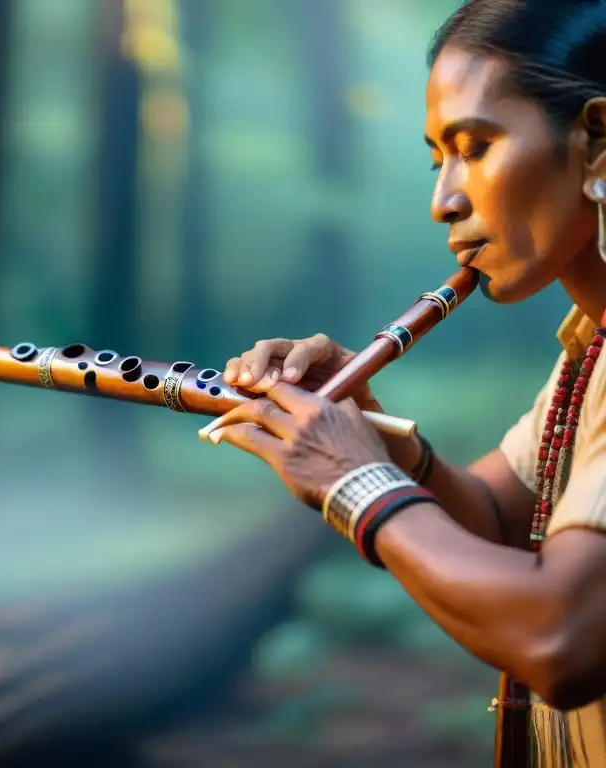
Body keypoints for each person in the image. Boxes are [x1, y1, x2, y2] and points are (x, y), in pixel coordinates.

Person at [197, 0, 606, 765]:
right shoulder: (589, 346)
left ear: (597, 138)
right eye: (437, 159)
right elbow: (496, 518)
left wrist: (355, 483)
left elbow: (560, 637)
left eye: (475, 147)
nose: (443, 200)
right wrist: (372, 430)